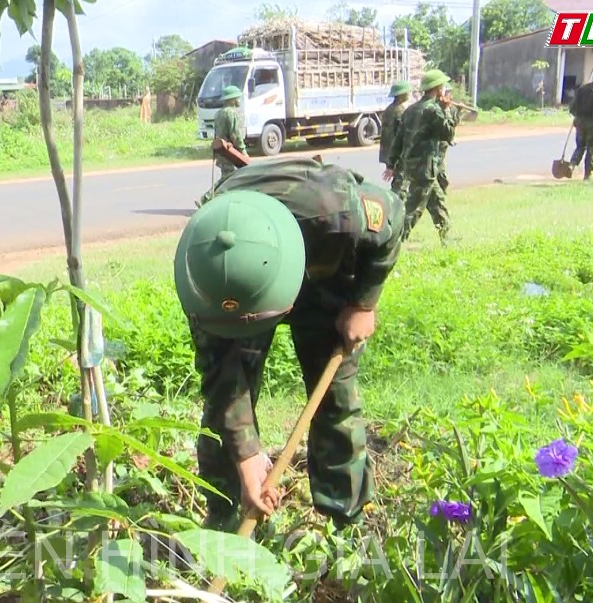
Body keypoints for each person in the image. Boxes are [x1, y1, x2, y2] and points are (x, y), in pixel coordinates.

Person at [173, 155, 405, 532]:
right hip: (245, 278)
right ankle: (226, 516)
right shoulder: (206, 271)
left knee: (335, 396)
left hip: (322, 264)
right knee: (223, 416)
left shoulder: (340, 212)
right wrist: (247, 456)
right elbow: (224, 382)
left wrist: (363, 302)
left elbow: (393, 220)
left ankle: (343, 521)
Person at [385, 69, 457, 244]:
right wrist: (446, 109)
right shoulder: (433, 110)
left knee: (437, 202)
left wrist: (391, 163)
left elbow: (398, 140)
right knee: (414, 209)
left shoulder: (410, 110)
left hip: (411, 165)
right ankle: (394, 243)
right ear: (438, 88)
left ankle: (448, 238)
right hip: (425, 167)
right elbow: (448, 133)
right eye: (443, 85)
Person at [379, 80, 411, 202]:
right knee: (400, 184)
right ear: (402, 94)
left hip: (389, 151)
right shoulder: (401, 112)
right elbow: (403, 135)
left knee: (398, 180)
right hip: (398, 153)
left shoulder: (389, 110)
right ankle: (396, 206)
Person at [213, 85, 247, 183]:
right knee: (230, 180)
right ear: (232, 100)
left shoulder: (219, 113)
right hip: (230, 153)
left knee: (226, 177)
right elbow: (235, 135)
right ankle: (208, 196)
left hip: (221, 151)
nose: (239, 100)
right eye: (237, 98)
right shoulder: (231, 113)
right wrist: (243, 152)